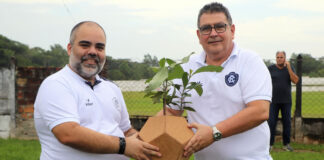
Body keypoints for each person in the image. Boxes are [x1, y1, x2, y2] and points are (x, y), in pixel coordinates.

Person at [157, 2, 273, 160]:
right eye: (206, 29)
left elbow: (260, 111)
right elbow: (171, 111)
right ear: (199, 35)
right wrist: (144, 136)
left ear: (232, 30)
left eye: (219, 27)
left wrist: (214, 133)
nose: (213, 33)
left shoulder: (249, 61)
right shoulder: (187, 67)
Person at [34, 21, 161, 160]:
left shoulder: (112, 88)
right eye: (85, 45)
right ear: (70, 48)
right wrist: (124, 146)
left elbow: (126, 132)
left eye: (100, 47)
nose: (93, 52)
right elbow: (68, 134)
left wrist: (154, 146)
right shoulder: (56, 84)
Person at [268, 51, 299, 152]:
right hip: (273, 101)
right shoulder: (271, 68)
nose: (279, 59)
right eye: (277, 57)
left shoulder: (290, 68)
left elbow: (295, 81)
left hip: (286, 101)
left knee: (287, 123)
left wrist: (289, 67)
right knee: (271, 122)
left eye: (281, 57)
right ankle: (270, 144)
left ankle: (286, 144)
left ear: (285, 58)